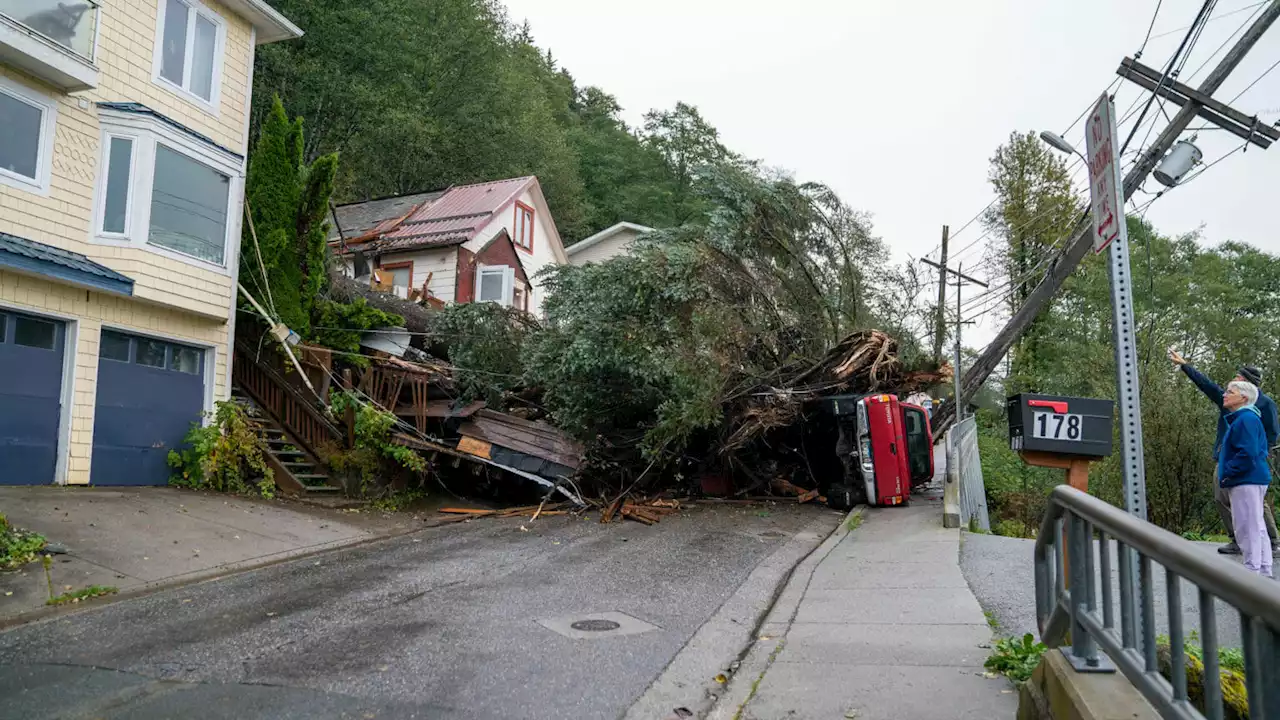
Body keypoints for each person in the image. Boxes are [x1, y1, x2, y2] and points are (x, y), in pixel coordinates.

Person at [1170, 350, 1280, 554]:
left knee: (1256, 501)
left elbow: (1273, 434)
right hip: (1225, 456)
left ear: (1247, 384)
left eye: (1238, 378)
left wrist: (1262, 454)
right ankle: (1237, 540)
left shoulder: (1265, 404)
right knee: (1221, 497)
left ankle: (1273, 542)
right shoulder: (1228, 399)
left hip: (1253, 458)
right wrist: (1185, 366)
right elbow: (1206, 385)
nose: (1233, 381)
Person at [1216, 380, 1273, 576]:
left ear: (1243, 398)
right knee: (1256, 524)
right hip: (1252, 478)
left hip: (1246, 479)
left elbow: (1247, 452)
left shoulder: (1245, 419)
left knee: (1246, 526)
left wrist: (1228, 473)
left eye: (1229, 392)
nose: (1225, 395)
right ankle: (1263, 569)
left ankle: (1251, 572)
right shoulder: (1247, 418)